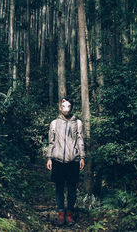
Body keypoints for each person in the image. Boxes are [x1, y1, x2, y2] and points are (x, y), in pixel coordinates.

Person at [46, 97, 85, 226]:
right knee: (59, 187)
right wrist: (49, 158)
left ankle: (69, 214)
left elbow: (80, 140)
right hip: (57, 160)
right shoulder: (54, 123)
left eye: (69, 106)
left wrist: (82, 157)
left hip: (73, 160)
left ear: (72, 107)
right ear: (60, 107)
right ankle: (61, 213)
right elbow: (51, 142)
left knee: (72, 188)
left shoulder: (77, 123)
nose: (66, 109)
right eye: (64, 106)